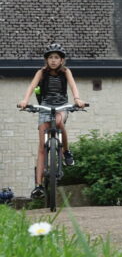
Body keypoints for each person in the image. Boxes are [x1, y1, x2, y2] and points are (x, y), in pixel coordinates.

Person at [18, 43, 86, 199]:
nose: (53, 60)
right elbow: (31, 87)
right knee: (42, 147)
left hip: (62, 106)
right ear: (46, 60)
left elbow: (73, 86)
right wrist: (24, 100)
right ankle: (38, 186)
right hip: (45, 107)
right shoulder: (41, 72)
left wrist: (77, 99)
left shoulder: (66, 72)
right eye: (50, 57)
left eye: (56, 57)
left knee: (59, 122)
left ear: (62, 60)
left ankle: (66, 151)